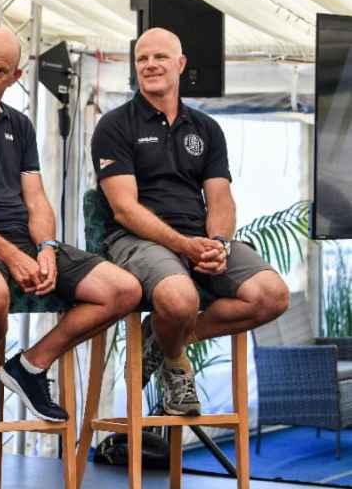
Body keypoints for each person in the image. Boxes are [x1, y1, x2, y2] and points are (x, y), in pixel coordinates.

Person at [0, 28, 141, 425]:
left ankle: (31, 366)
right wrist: (13, 256)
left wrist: (47, 248)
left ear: (15, 77)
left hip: (22, 240)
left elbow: (36, 198)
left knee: (123, 289)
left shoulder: (19, 125)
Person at [92, 27, 289, 415]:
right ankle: (175, 355)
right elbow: (124, 209)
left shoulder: (206, 129)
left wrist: (218, 243)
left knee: (272, 295)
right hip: (136, 241)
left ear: (180, 64)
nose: (150, 65)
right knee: (181, 300)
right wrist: (185, 246)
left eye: (160, 57)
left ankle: (166, 340)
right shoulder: (115, 125)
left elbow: (220, 197)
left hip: (199, 239)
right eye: (142, 59)